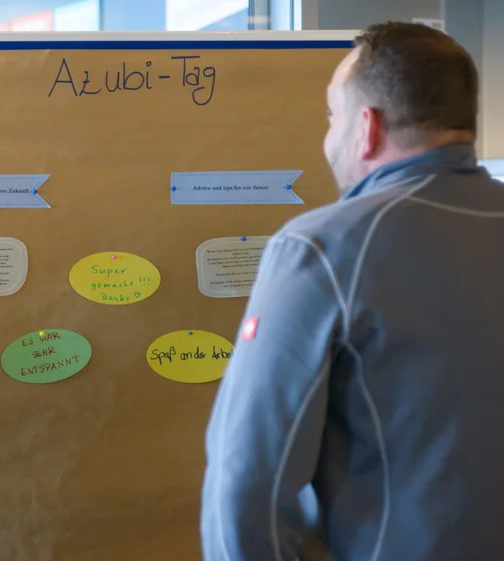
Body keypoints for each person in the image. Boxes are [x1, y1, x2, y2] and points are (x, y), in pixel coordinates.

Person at [200, 21, 503, 561]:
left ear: (366, 127)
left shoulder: (321, 248)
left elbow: (247, 480)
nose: (328, 136)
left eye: (330, 117)